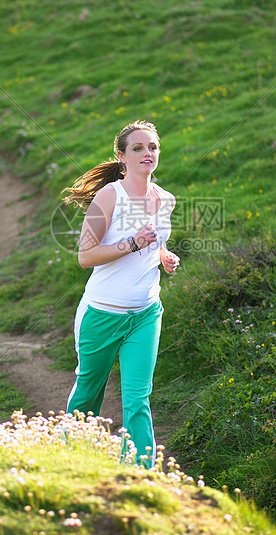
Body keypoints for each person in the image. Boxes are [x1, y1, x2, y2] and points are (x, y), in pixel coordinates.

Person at [62, 120, 180, 467]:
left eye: (153, 147)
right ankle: (71, 460)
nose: (148, 153)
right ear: (122, 156)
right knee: (89, 393)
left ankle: (142, 472)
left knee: (138, 398)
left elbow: (155, 242)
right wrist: (131, 244)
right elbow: (86, 256)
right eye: (138, 148)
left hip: (145, 314)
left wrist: (163, 256)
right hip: (102, 313)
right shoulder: (110, 195)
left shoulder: (166, 199)